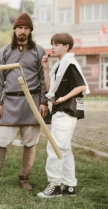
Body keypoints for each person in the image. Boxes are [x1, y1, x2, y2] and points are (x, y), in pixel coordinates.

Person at [0, 13, 48, 191]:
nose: (23, 31)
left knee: (30, 142)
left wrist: (43, 102)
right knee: (1, 140)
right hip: (10, 102)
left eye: (26, 28)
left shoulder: (38, 51)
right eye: (20, 28)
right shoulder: (4, 52)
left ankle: (24, 179)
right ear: (14, 29)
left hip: (32, 102)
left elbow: (44, 79)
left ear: (30, 31)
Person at [37, 33, 89, 198]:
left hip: (66, 109)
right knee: (64, 148)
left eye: (57, 44)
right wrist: (45, 69)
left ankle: (55, 185)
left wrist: (62, 99)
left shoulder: (70, 63)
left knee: (55, 147)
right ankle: (69, 185)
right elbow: (50, 88)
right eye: (52, 44)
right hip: (62, 109)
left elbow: (81, 86)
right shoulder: (59, 66)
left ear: (66, 46)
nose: (53, 47)